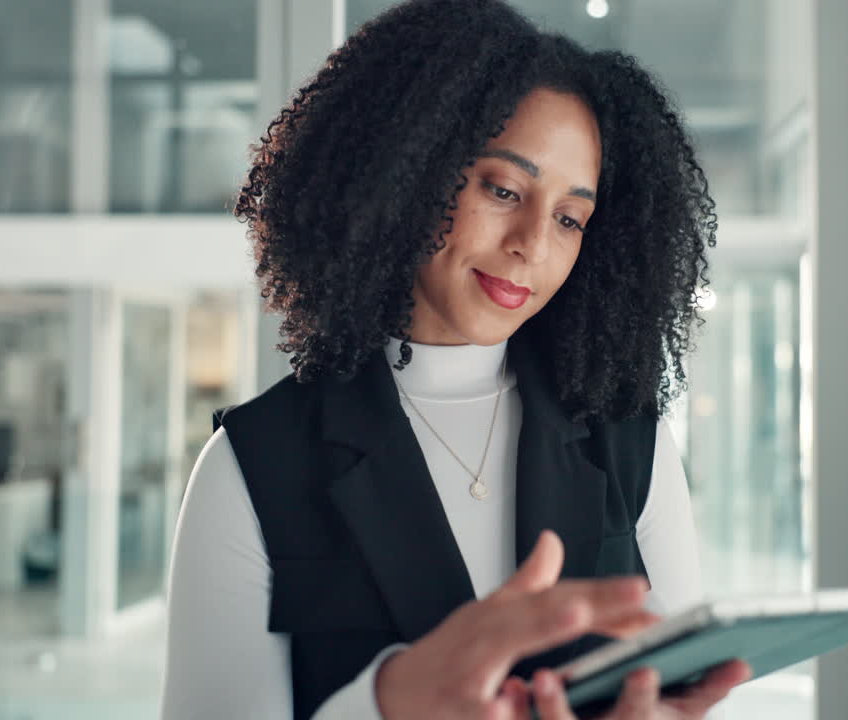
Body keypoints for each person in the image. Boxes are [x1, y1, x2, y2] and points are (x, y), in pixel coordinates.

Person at [160, 0, 751, 718]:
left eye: (570, 218)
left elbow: (673, 693)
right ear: (406, 169)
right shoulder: (253, 465)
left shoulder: (631, 442)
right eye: (503, 189)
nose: (532, 243)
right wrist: (385, 704)